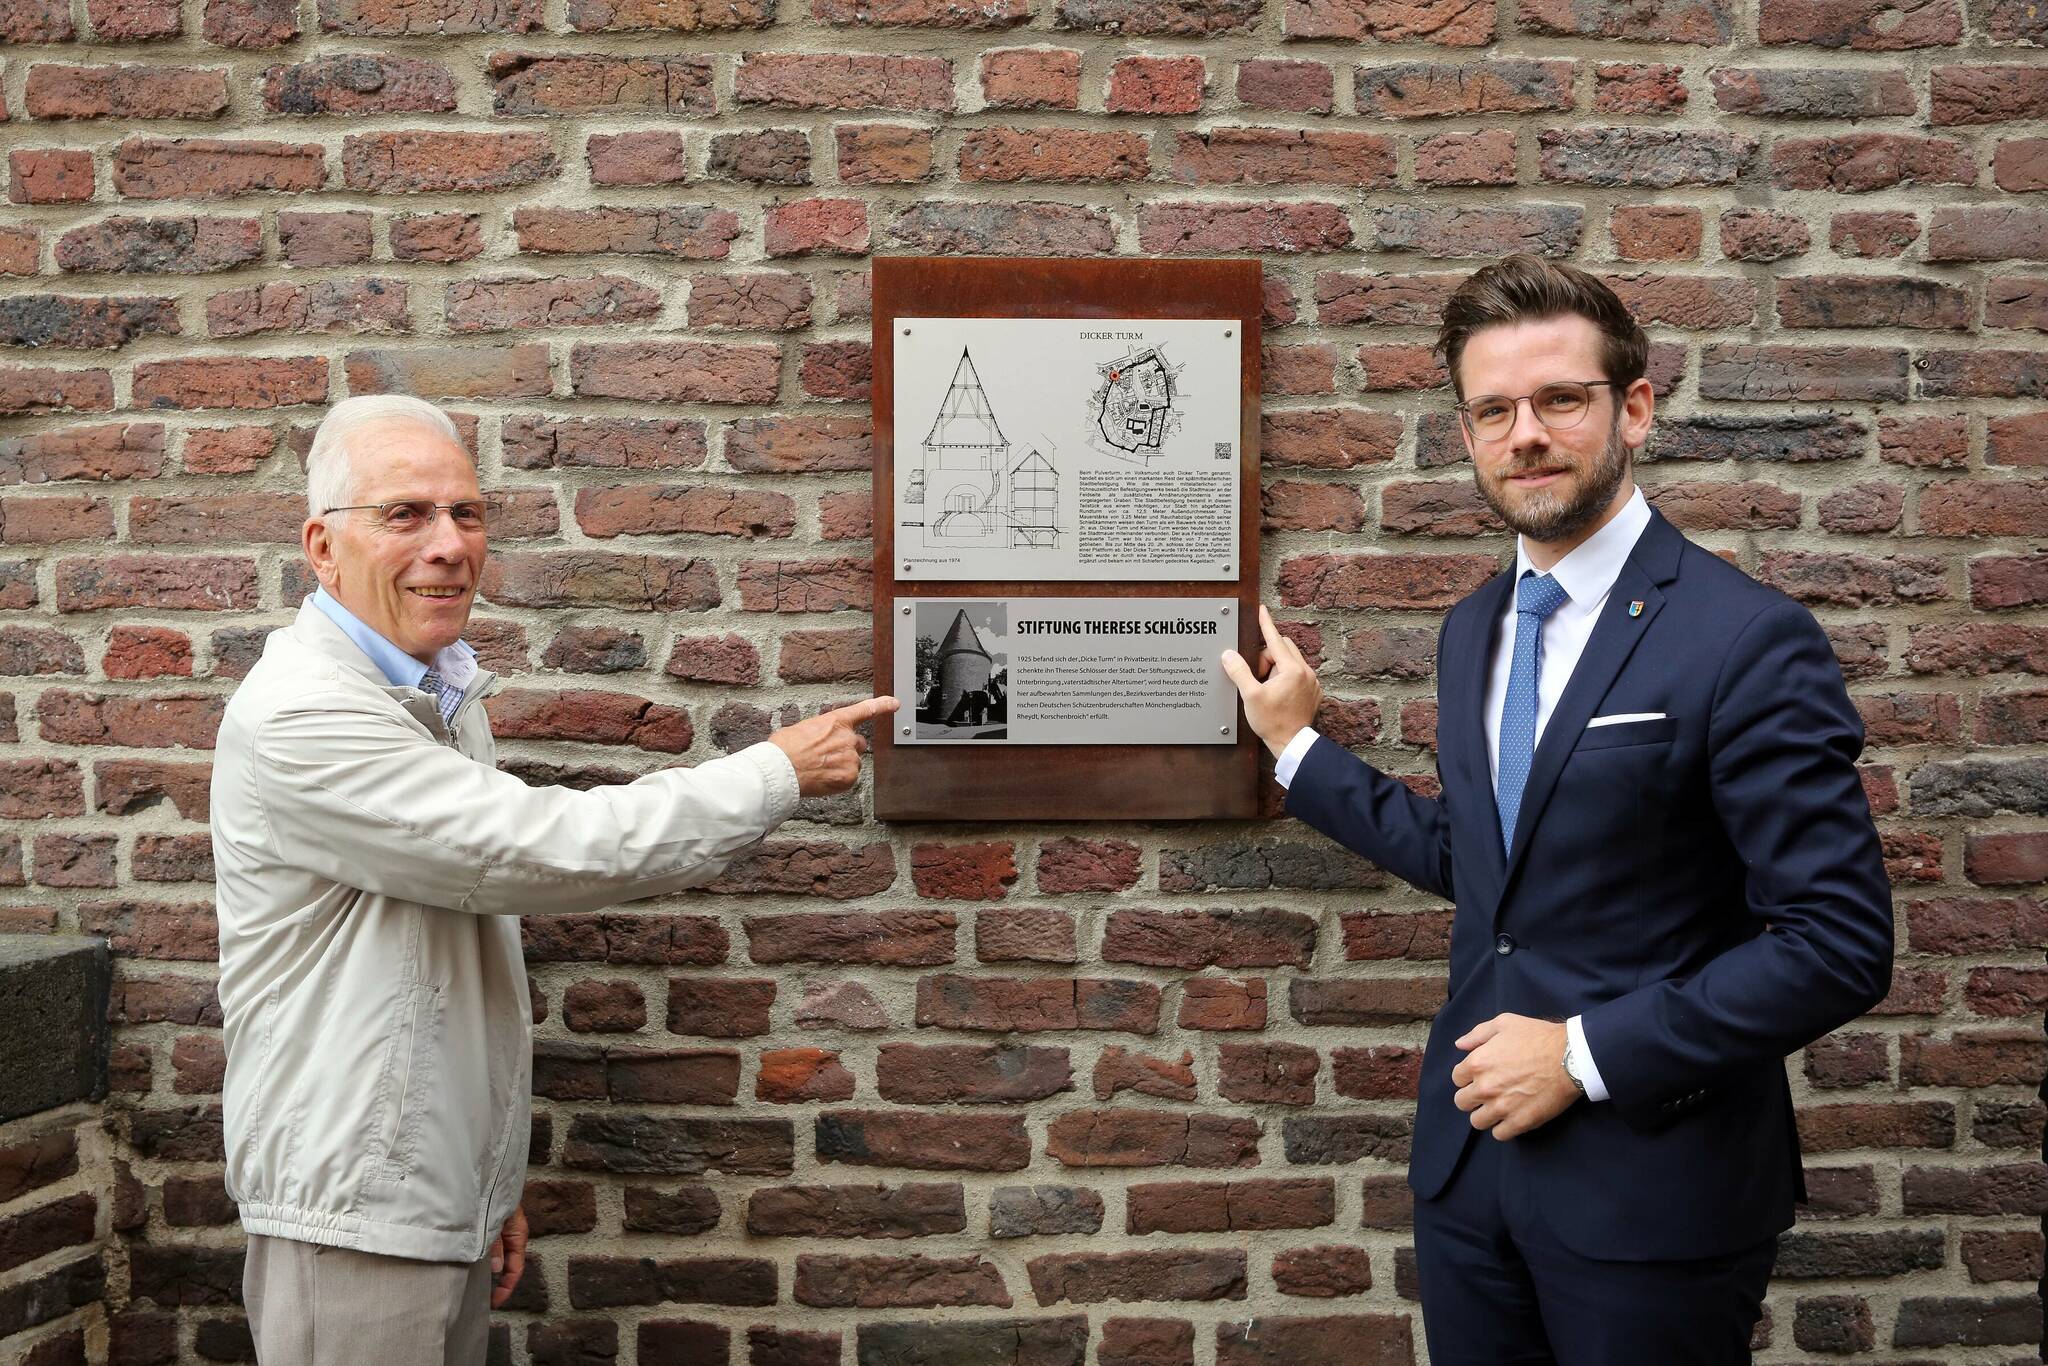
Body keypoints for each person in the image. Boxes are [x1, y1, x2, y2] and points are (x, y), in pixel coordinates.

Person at [1222, 256, 1892, 1364]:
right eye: (1492, 410)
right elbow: (1489, 863)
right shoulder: (1474, 628)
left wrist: (1581, 1054)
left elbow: (1837, 945)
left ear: (1634, 409)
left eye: (1559, 400)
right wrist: (1297, 749)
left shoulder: (1744, 638)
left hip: (1654, 1195)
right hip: (1468, 1185)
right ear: (1466, 432)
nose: (1524, 434)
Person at [209, 394, 898, 1365]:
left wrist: (480, 1189)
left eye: (467, 513)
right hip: (355, 1220)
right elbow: (540, 847)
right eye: (406, 514)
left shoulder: (427, 685)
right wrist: (772, 773)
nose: (450, 544)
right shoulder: (305, 717)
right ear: (323, 547)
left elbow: (441, 974)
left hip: (415, 1202)